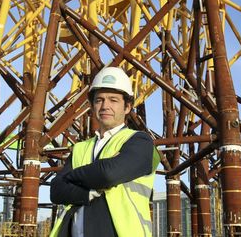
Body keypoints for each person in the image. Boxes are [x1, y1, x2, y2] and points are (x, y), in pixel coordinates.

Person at [50, 66, 160, 237]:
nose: (105, 106)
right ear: (93, 106)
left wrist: (70, 177)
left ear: (127, 107)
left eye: (113, 100)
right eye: (99, 100)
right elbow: (56, 191)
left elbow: (107, 174)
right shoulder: (80, 148)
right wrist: (86, 193)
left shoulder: (140, 142)